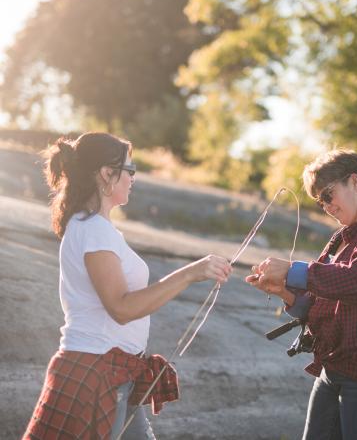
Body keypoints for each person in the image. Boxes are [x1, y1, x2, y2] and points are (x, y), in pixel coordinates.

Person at [23, 132, 232, 440]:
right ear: (107, 174)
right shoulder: (92, 229)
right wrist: (189, 273)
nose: (134, 178)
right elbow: (121, 307)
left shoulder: (98, 227)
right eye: (130, 170)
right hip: (94, 373)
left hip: (114, 373)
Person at [246, 149, 357, 440]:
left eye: (328, 195)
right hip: (336, 368)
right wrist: (284, 291)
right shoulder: (343, 238)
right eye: (319, 202)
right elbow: (320, 304)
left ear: (354, 182)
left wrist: (292, 270)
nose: (326, 207)